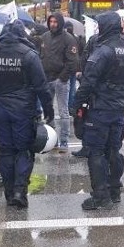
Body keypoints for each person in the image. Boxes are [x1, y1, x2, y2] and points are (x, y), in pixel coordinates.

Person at [0, 22, 53, 208]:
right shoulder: (29, 55)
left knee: (5, 150)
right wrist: (48, 110)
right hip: (24, 110)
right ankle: (20, 191)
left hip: (0, 109)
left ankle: (9, 191)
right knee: (24, 150)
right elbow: (41, 87)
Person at [74, 12, 124, 210]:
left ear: (105, 26)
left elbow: (88, 81)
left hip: (100, 108)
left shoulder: (103, 51)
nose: (97, 29)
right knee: (114, 150)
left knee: (96, 152)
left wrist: (77, 104)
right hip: (118, 106)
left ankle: (100, 195)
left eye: (99, 25)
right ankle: (115, 190)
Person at [39, 11, 79, 150]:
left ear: (60, 23)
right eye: (51, 22)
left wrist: (62, 78)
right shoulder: (44, 37)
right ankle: (53, 140)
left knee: (63, 112)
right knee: (48, 111)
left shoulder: (68, 39)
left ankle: (64, 141)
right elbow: (40, 57)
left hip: (61, 81)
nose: (53, 24)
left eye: (55, 22)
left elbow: (72, 62)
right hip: (46, 80)